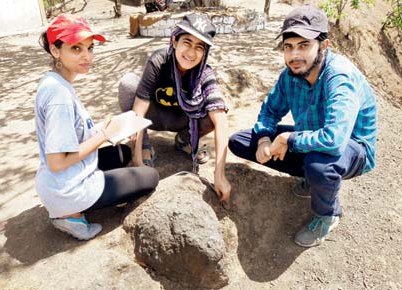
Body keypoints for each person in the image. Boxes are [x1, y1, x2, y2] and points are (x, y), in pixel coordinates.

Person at [228, 5, 377, 247]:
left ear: (324, 45)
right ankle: (312, 179)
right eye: (289, 47)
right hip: (311, 137)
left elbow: (335, 139)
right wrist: (265, 140)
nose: (294, 55)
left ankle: (328, 214)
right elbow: (270, 110)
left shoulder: (339, 78)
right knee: (241, 141)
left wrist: (287, 140)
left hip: (352, 148)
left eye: (304, 45)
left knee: (318, 164)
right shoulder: (291, 74)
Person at [34, 14, 159, 240]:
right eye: (76, 48)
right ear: (55, 50)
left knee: (123, 153)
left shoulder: (55, 81)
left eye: (90, 48)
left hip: (60, 180)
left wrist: (108, 128)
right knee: (150, 177)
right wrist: (103, 135)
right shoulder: (58, 95)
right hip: (68, 190)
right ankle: (70, 216)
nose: (87, 56)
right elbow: (57, 161)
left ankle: (80, 200)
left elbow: (71, 135)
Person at [118, 13, 231, 201]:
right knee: (128, 85)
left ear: (205, 52)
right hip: (153, 118)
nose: (191, 52)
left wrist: (219, 175)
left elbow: (221, 122)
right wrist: (137, 160)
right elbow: (139, 109)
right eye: (187, 42)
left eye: (199, 47)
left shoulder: (205, 73)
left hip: (182, 120)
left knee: (219, 109)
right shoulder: (159, 61)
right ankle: (145, 146)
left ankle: (184, 140)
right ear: (174, 41)